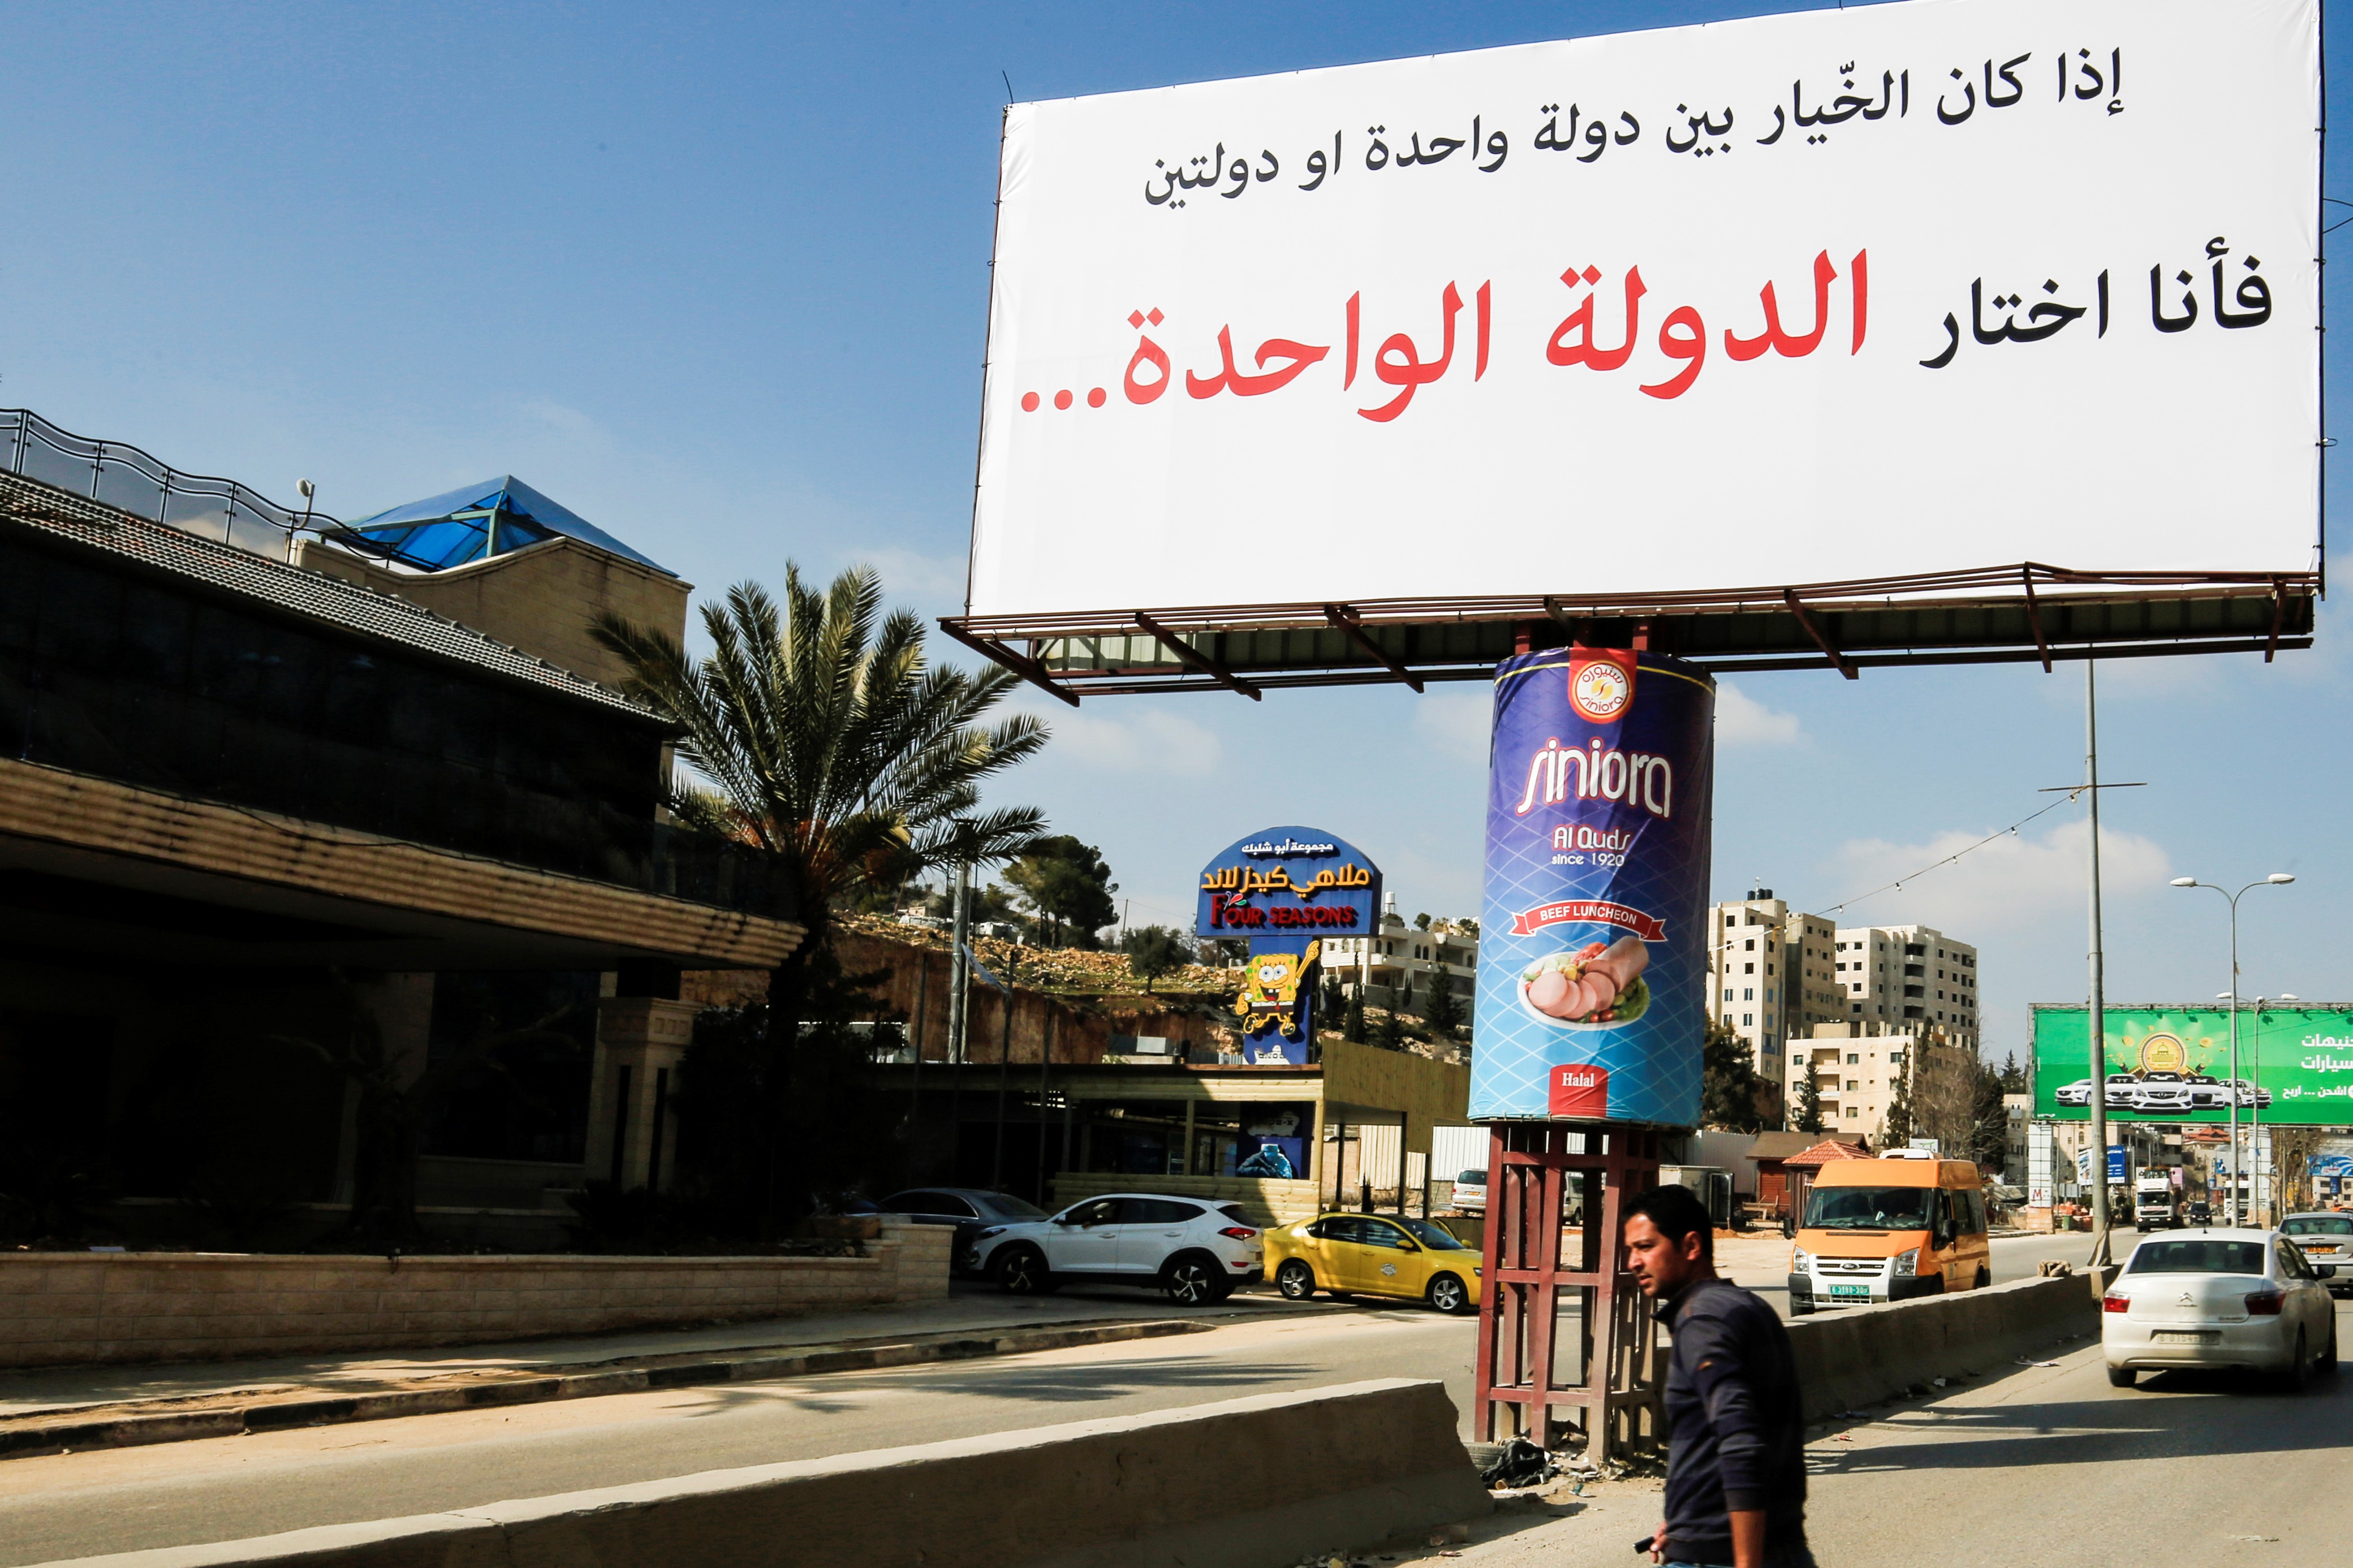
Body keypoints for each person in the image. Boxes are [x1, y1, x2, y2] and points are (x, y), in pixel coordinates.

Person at [1624, 1183, 1813, 1568]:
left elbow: (1741, 1442)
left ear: (1691, 1246)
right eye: (1630, 1249)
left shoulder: (1702, 1321)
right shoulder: (1748, 1308)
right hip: (1785, 1547)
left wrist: (1744, 1561)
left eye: (1645, 1246)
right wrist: (1682, 1523)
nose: (1633, 1261)